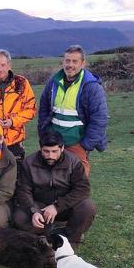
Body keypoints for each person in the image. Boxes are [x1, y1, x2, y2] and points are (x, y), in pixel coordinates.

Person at [13, 130, 95, 248]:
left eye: (54, 151)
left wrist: (57, 206)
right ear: (40, 148)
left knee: (87, 207)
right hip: (40, 205)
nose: (50, 156)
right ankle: (46, 235)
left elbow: (82, 189)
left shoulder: (74, 162)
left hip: (65, 206)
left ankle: (71, 240)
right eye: (46, 151)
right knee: (19, 217)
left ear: (62, 148)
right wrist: (33, 211)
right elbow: (23, 190)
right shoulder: (29, 163)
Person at [38, 44, 108, 176]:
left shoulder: (91, 87)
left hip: (77, 143)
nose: (70, 65)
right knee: (49, 180)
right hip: (53, 143)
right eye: (67, 61)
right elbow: (44, 109)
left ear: (83, 63)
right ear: (63, 62)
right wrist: (44, 135)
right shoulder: (53, 82)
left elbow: (99, 119)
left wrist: (85, 145)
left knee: (78, 182)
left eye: (75, 61)